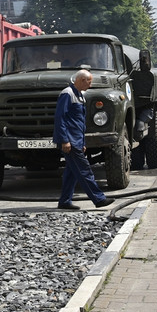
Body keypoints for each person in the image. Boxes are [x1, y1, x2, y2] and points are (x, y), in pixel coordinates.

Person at [54, 69, 115, 210]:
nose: (90, 84)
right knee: (84, 170)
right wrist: (65, 140)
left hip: (76, 141)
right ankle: (99, 199)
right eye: (89, 81)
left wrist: (82, 142)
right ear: (81, 80)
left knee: (71, 173)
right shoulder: (67, 94)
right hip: (70, 140)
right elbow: (60, 118)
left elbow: (79, 122)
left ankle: (64, 201)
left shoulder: (80, 95)